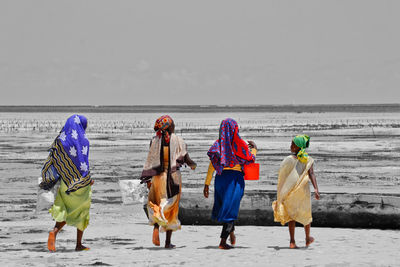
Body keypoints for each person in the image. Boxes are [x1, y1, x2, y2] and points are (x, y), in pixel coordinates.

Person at [141, 115, 197, 249]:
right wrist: (193, 165)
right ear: (170, 126)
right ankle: (167, 242)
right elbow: (187, 159)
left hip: (157, 178)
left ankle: (155, 227)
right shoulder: (179, 141)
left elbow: (151, 159)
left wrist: (148, 178)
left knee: (156, 203)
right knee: (171, 208)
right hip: (173, 178)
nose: (174, 126)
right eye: (173, 124)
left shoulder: (154, 141)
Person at [40, 114, 94, 252]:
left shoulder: (60, 140)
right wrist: (87, 179)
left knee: (64, 209)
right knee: (82, 212)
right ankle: (78, 244)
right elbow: (83, 163)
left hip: (64, 182)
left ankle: (54, 231)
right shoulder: (83, 140)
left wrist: (50, 179)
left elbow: (52, 160)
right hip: (80, 184)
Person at [203, 118, 257, 249]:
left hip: (220, 179)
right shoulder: (240, 144)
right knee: (231, 209)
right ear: (235, 129)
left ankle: (231, 234)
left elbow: (212, 165)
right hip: (234, 179)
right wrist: (254, 149)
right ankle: (222, 242)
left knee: (227, 207)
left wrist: (206, 183)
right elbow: (250, 160)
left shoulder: (218, 145)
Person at [272, 134, 320, 249]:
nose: (291, 146)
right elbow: (312, 174)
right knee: (306, 214)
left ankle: (292, 241)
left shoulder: (289, 160)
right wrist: (316, 189)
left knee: (291, 216)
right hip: (303, 192)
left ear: (299, 147)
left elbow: (282, 176)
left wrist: (282, 192)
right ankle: (307, 238)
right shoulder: (308, 159)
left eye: (293, 144)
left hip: (291, 192)